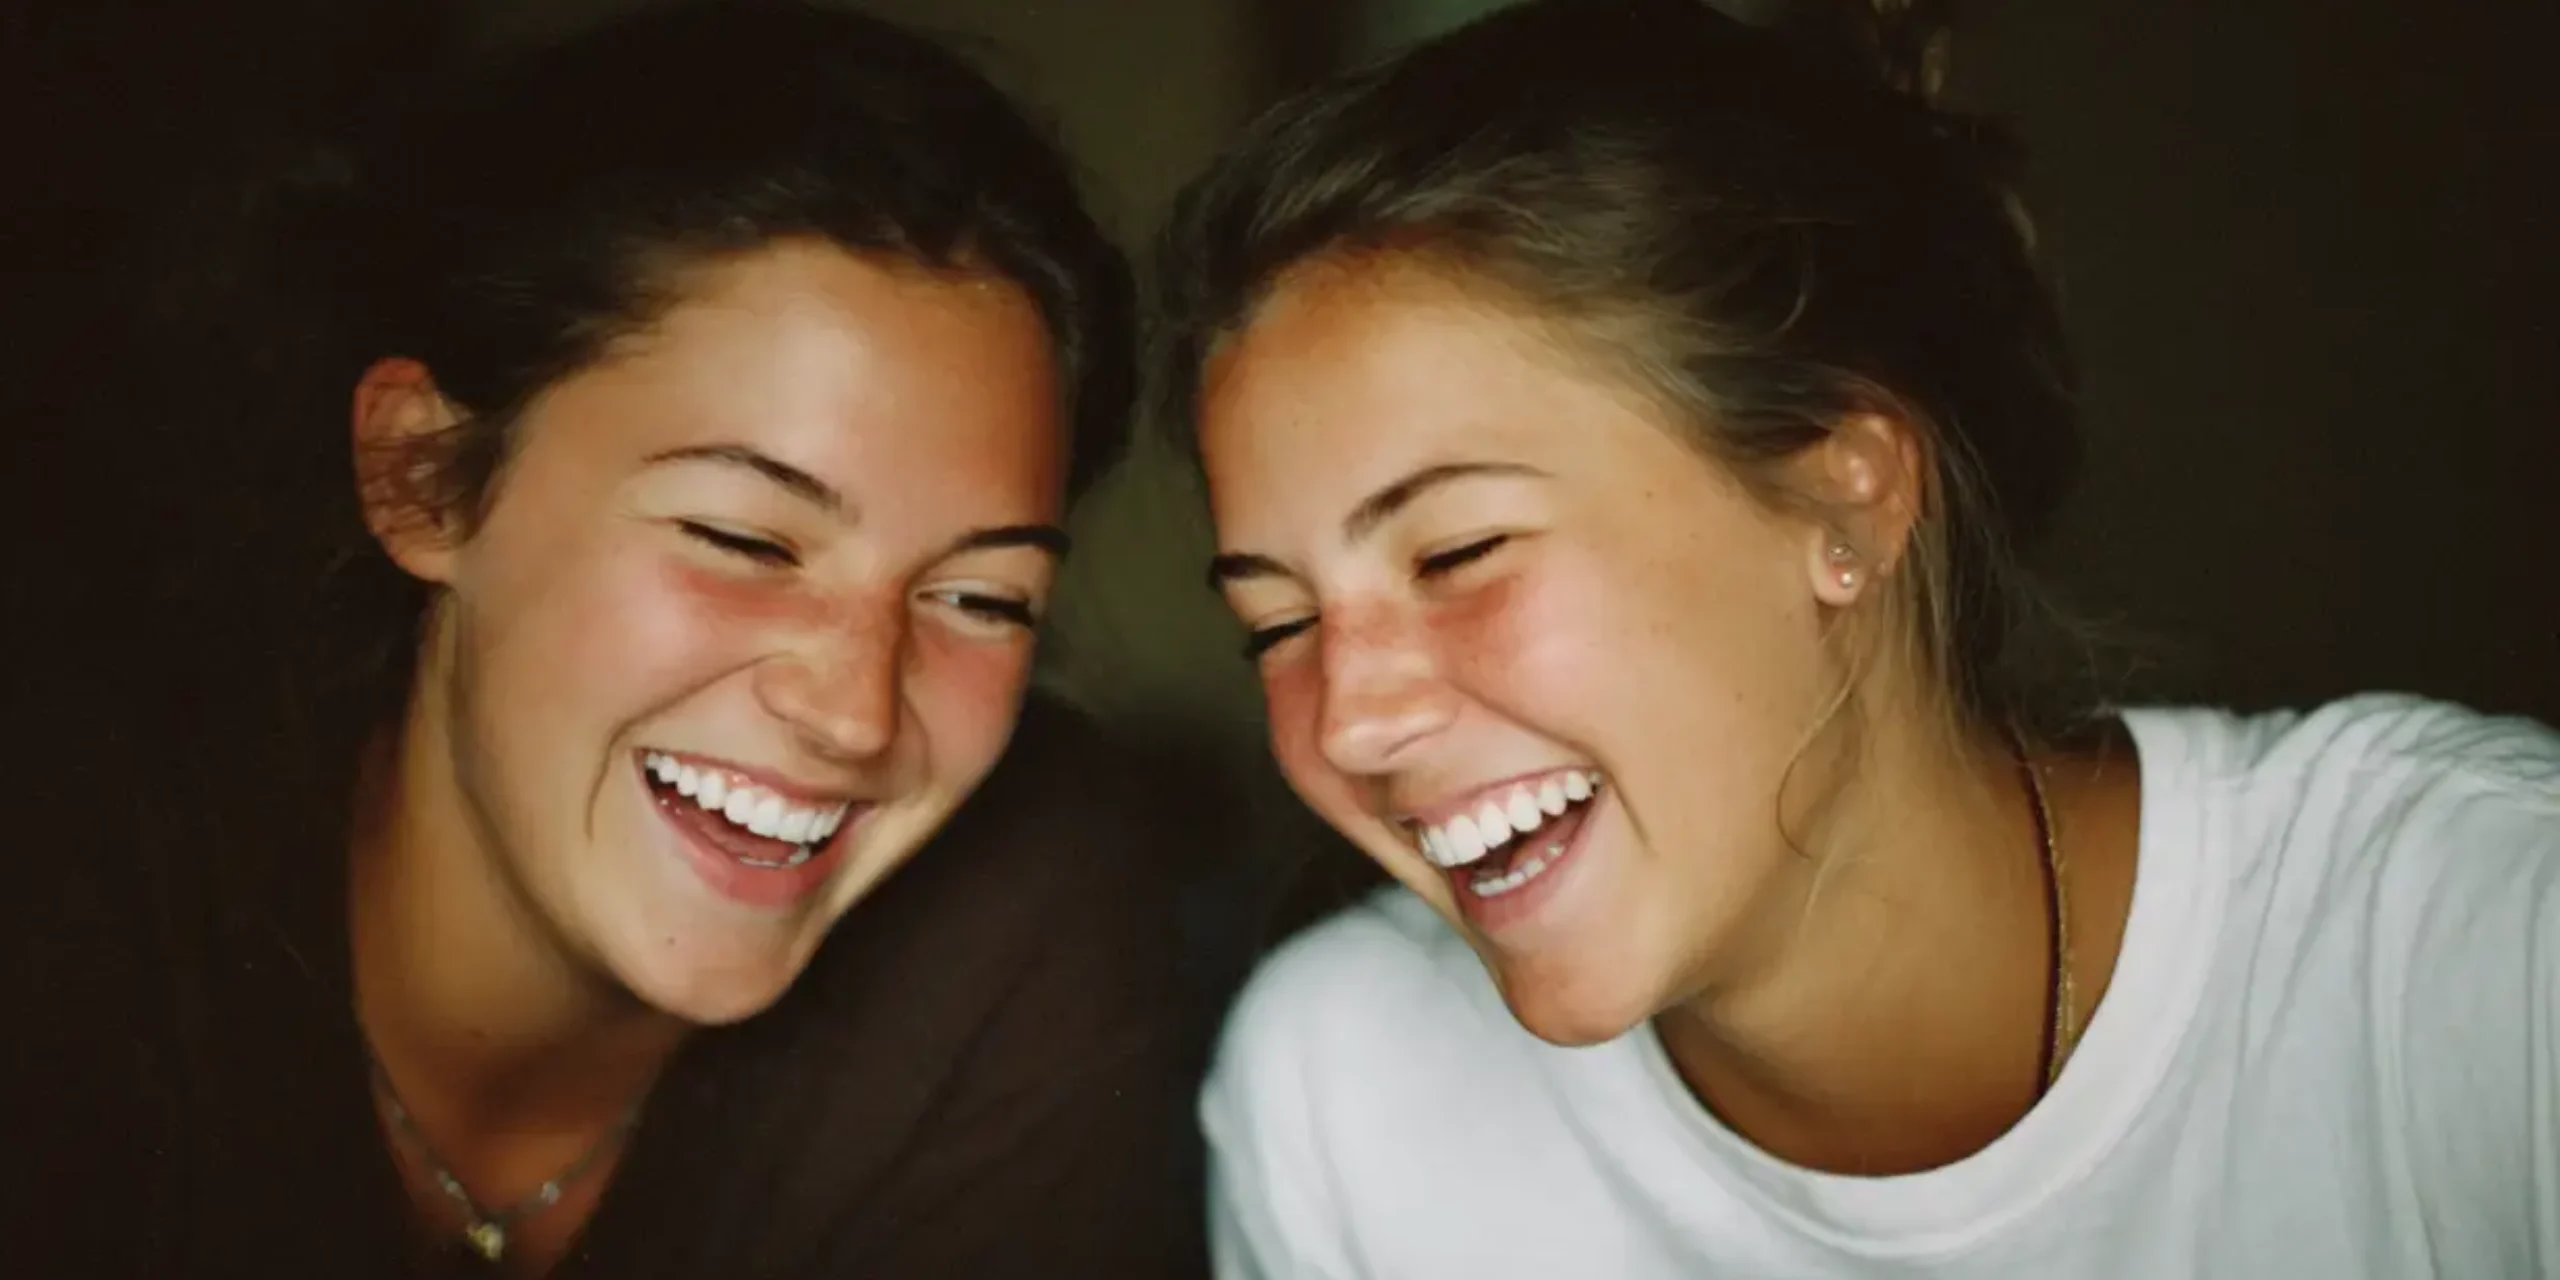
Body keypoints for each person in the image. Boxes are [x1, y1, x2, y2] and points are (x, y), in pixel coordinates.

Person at [1156, 0, 2560, 1275]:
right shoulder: (1346, 1099)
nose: (1348, 718)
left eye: (1458, 553)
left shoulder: (2480, 954)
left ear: (1847, 492)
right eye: (1277, 623)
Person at [10, 3, 1204, 1275]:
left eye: (980, 598)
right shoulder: (72, 871)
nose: (854, 712)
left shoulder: (1018, 928)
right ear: (424, 475)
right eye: (743, 538)